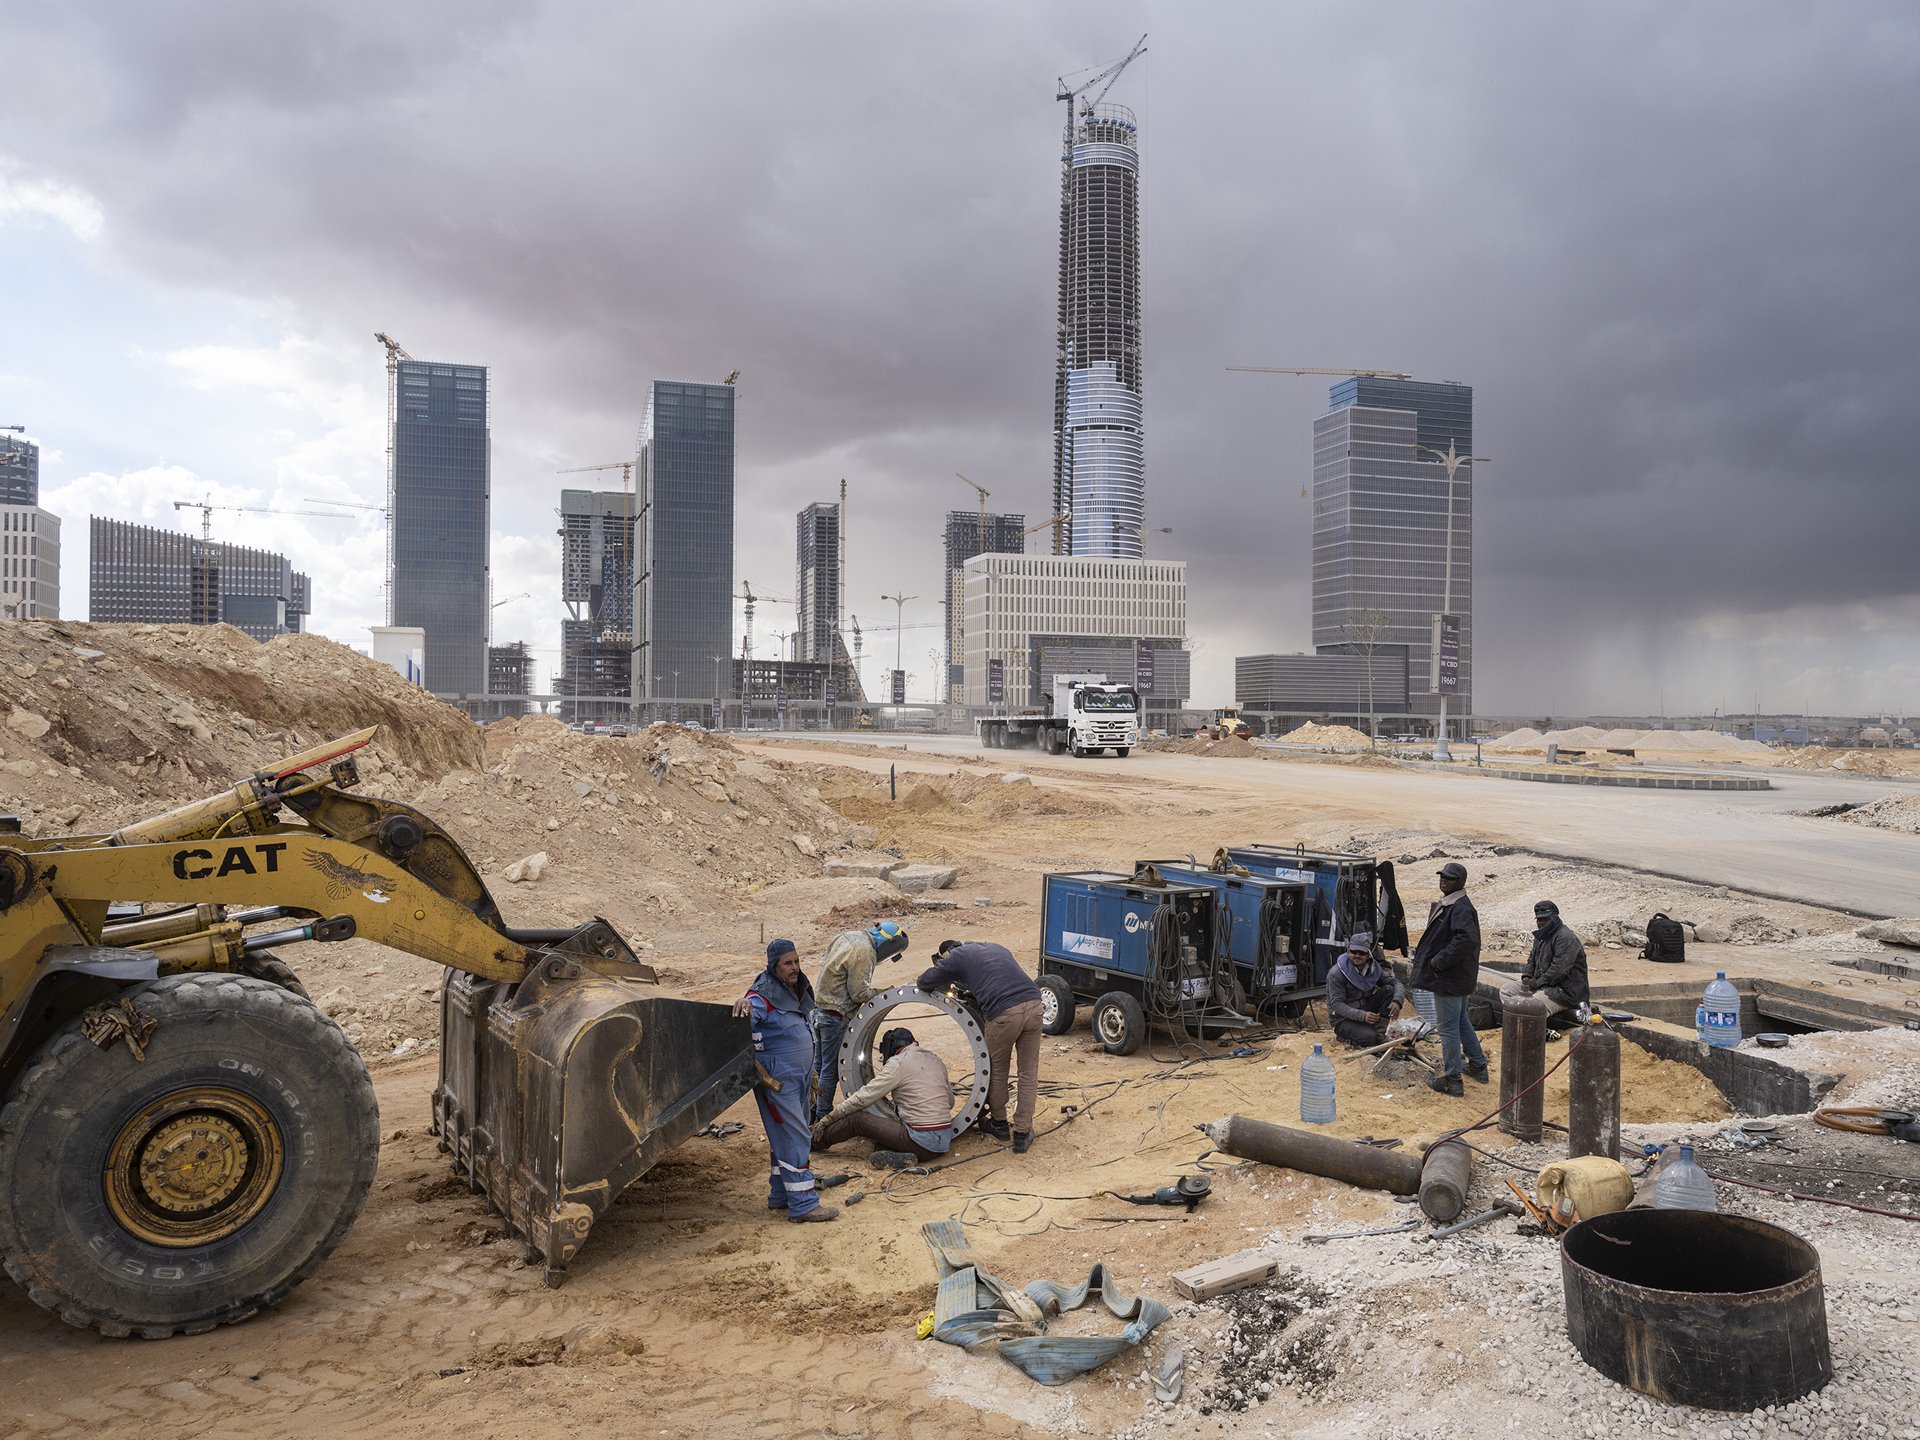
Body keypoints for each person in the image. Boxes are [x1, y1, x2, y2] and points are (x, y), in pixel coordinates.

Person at [733, 939, 837, 1222]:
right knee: (795, 1135)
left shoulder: (796, 990)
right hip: (777, 1080)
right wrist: (744, 1004)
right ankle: (803, 1205)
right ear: (774, 966)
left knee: (787, 1135)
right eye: (787, 963)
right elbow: (748, 1012)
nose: (794, 968)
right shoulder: (762, 995)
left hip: (799, 1077)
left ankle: (781, 1195)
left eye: (796, 961)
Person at [917, 939, 1043, 1152]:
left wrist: (944, 973)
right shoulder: (995, 947)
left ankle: (1000, 1124)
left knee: (997, 1069)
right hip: (1034, 1004)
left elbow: (925, 981)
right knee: (1028, 1072)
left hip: (1004, 1013)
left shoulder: (955, 957)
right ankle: (1023, 1132)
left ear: (947, 954)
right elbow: (995, 978)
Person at [811, 920, 910, 1122]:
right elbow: (859, 993)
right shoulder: (865, 951)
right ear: (889, 943)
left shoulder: (849, 935)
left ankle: (810, 1112)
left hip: (819, 1010)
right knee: (830, 1070)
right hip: (835, 1015)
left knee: (818, 1066)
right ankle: (822, 1117)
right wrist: (885, 993)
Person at [811, 1027, 957, 1163]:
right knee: (881, 1136)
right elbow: (950, 1102)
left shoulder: (898, 1063)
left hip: (920, 1141)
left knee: (856, 1120)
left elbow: (864, 1097)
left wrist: (829, 1118)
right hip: (944, 1141)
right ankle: (900, 1156)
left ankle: (813, 1141)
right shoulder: (935, 1059)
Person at [1411, 861, 1486, 1097]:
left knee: (1448, 1029)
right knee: (1461, 1020)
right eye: (1443, 876)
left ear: (1460, 882)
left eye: (1450, 878)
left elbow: (1465, 941)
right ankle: (1477, 1065)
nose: (1444, 881)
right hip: (1458, 977)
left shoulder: (1460, 907)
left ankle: (1453, 1080)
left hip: (1450, 979)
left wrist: (1438, 961)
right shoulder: (1454, 904)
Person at [1501, 900, 1589, 1021]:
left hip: (1565, 993)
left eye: (1545, 919)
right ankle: (1517, 1024)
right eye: (1539, 920)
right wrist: (1527, 976)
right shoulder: (1541, 936)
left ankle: (1533, 1030)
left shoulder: (1565, 937)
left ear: (1554, 918)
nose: (1541, 923)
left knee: (1532, 1004)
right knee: (1506, 991)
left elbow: (1559, 969)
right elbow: (1531, 960)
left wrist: (1538, 983)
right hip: (1543, 985)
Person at [1326, 931, 1405, 1048]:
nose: (1357, 955)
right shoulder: (1336, 973)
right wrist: (1362, 1016)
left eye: (1362, 953)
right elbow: (1337, 1005)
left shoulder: (1373, 968)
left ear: (1368, 955)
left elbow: (1395, 983)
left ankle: (1379, 1035)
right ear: (1348, 952)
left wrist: (1398, 1001)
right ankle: (1346, 1037)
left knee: (1389, 990)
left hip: (1364, 1010)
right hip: (1343, 1019)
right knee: (1368, 1037)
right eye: (1354, 952)